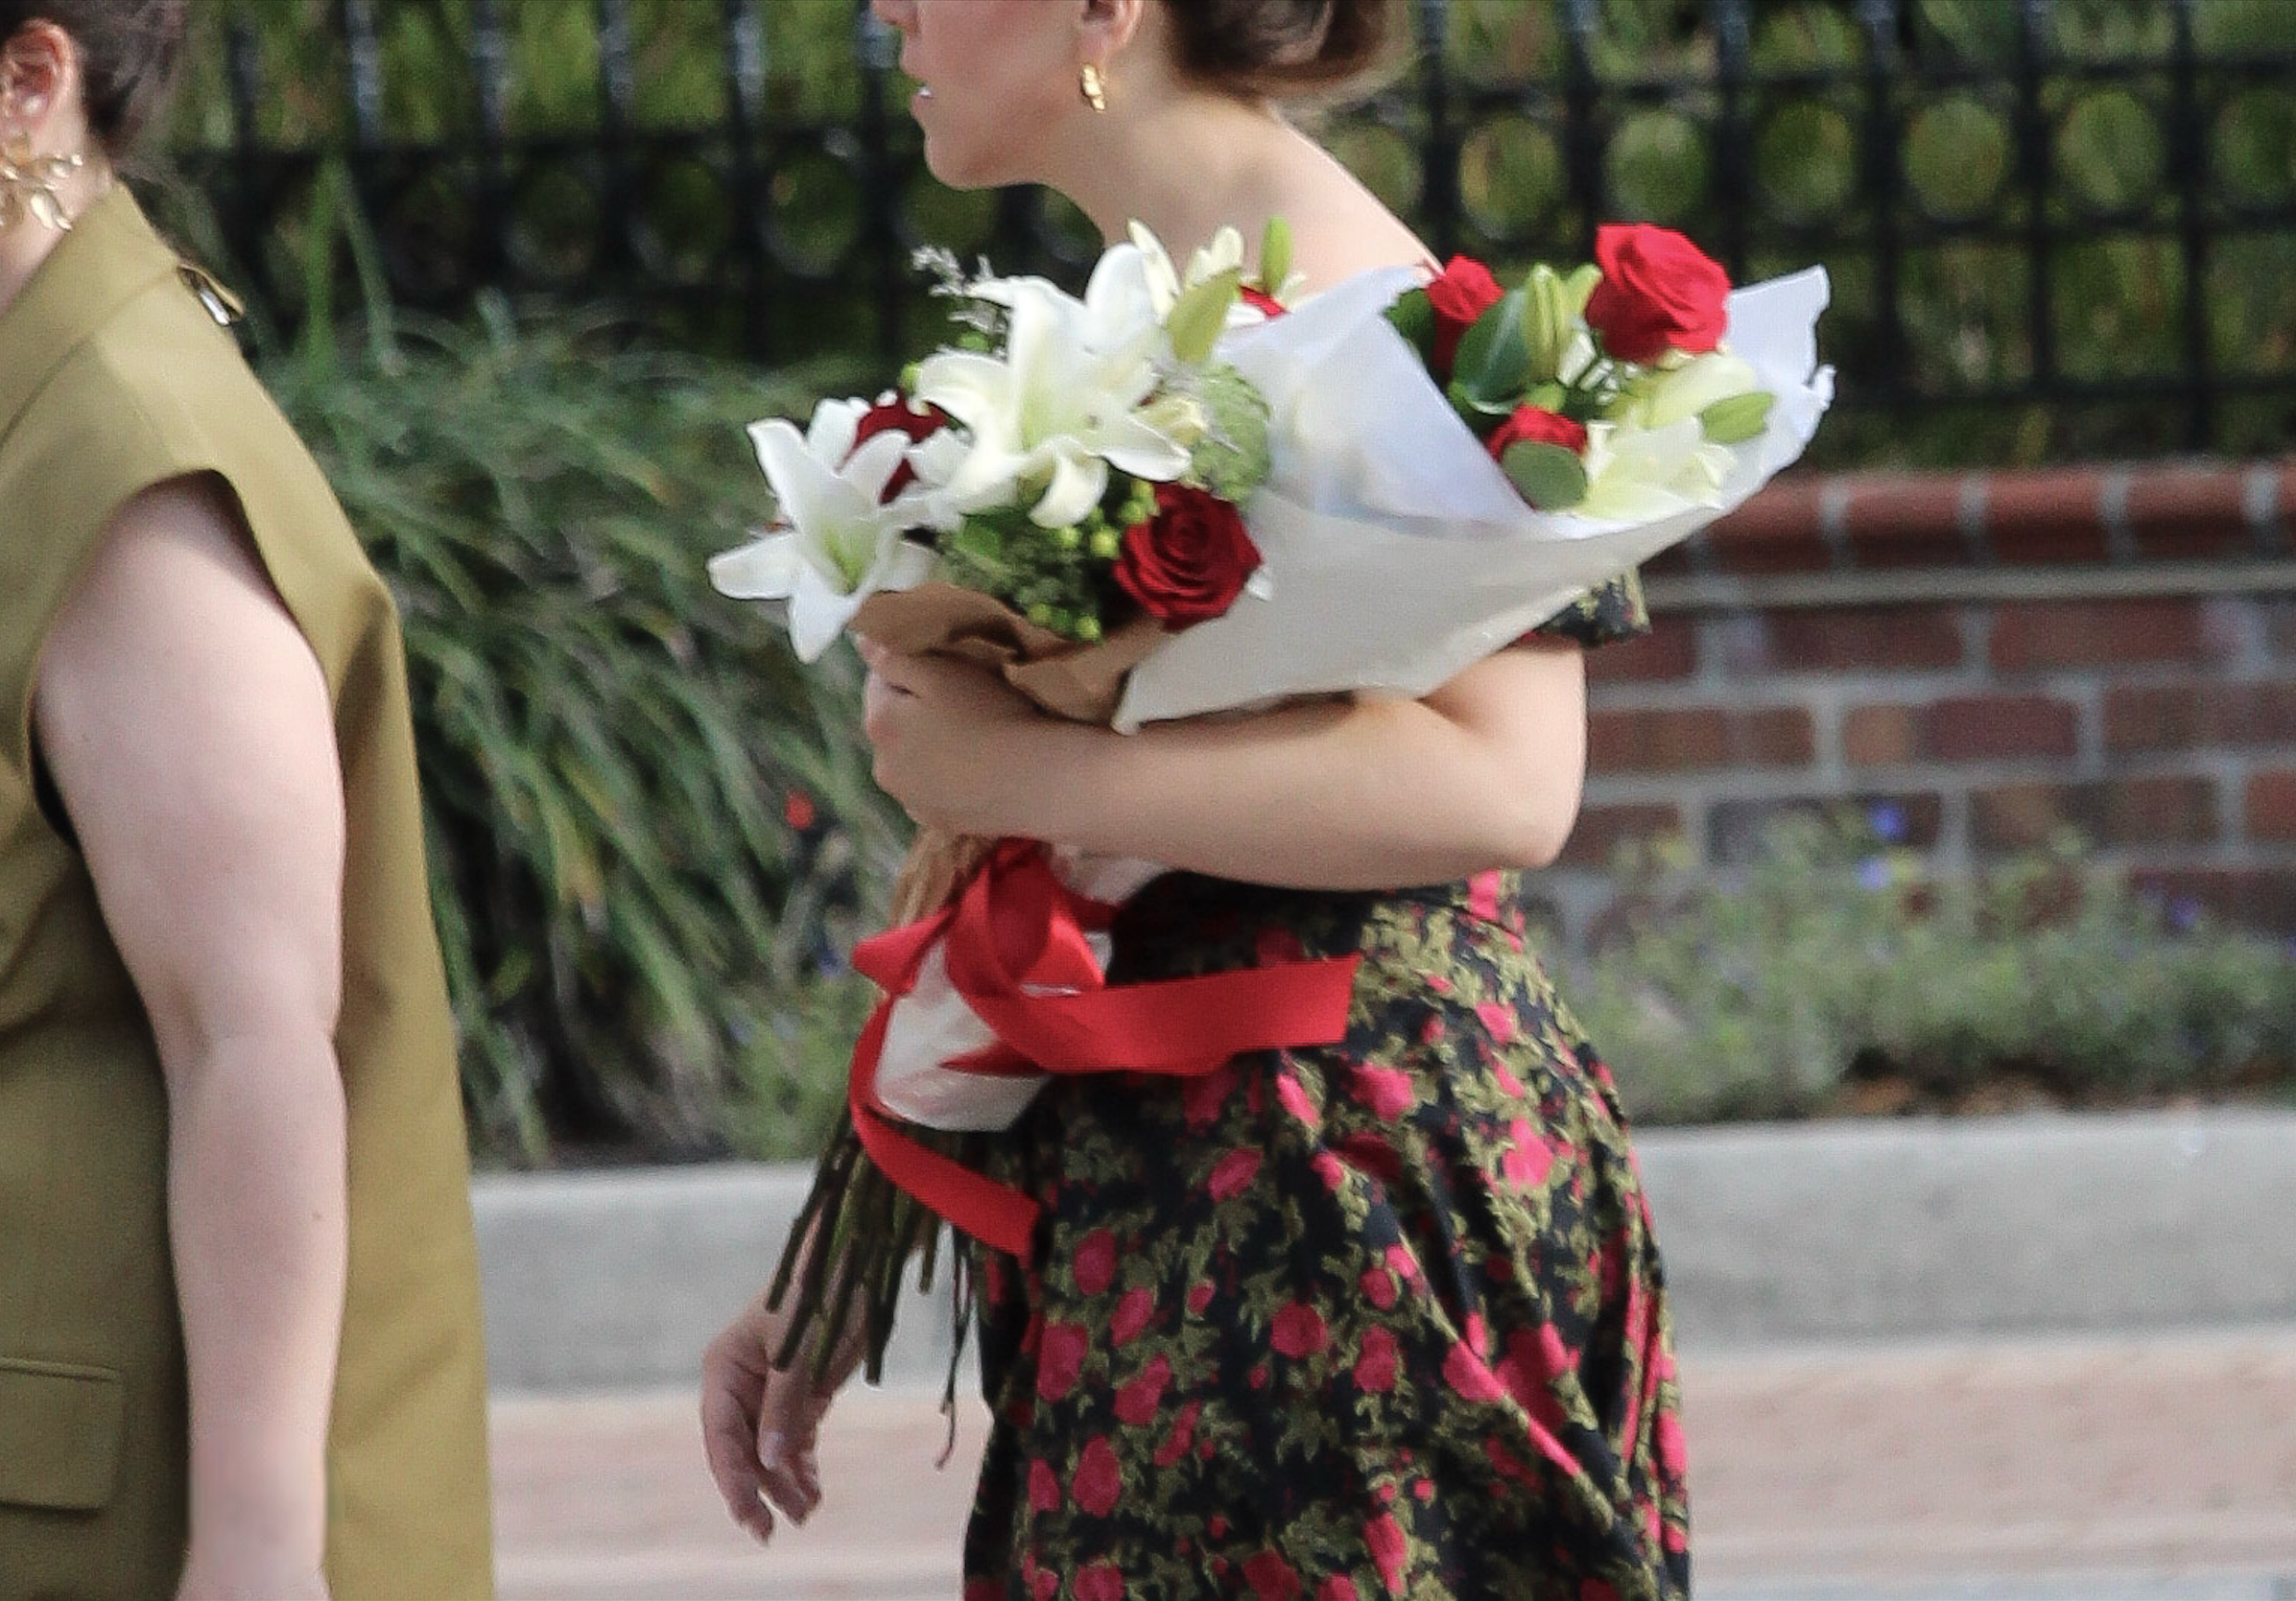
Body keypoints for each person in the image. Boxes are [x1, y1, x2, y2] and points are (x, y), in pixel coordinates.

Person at [700, 1, 1691, 1595]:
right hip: (1185, 1180)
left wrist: (1032, 763)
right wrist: (853, 1243)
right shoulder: (1150, 304)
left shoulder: (1377, 312)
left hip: (1340, 1197)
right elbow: (1077, 870)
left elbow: (1510, 783)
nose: (883, 5)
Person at [0, 6, 494, 1598]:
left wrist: (262, 1558)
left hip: (98, 1507)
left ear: (28, 83)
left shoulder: (127, 461)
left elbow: (258, 1042)